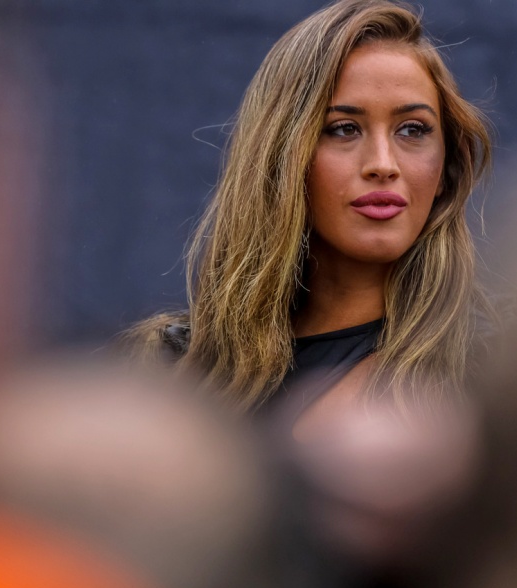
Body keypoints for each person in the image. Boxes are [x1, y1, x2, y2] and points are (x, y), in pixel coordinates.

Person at [124, 0, 494, 436]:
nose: (383, 164)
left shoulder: (497, 373)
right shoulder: (174, 371)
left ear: (448, 168)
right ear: (281, 157)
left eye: (412, 129)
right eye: (343, 129)